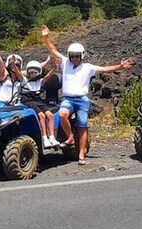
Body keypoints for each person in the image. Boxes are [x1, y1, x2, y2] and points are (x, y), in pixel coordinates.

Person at [41, 25, 133, 165]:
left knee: (82, 126)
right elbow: (53, 50)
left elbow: (104, 70)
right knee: (62, 114)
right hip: (68, 99)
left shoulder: (88, 67)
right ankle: (70, 137)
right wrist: (46, 36)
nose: (74, 58)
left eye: (77, 56)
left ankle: (82, 154)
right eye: (72, 56)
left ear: (82, 56)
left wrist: (119, 67)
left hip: (82, 100)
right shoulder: (65, 63)